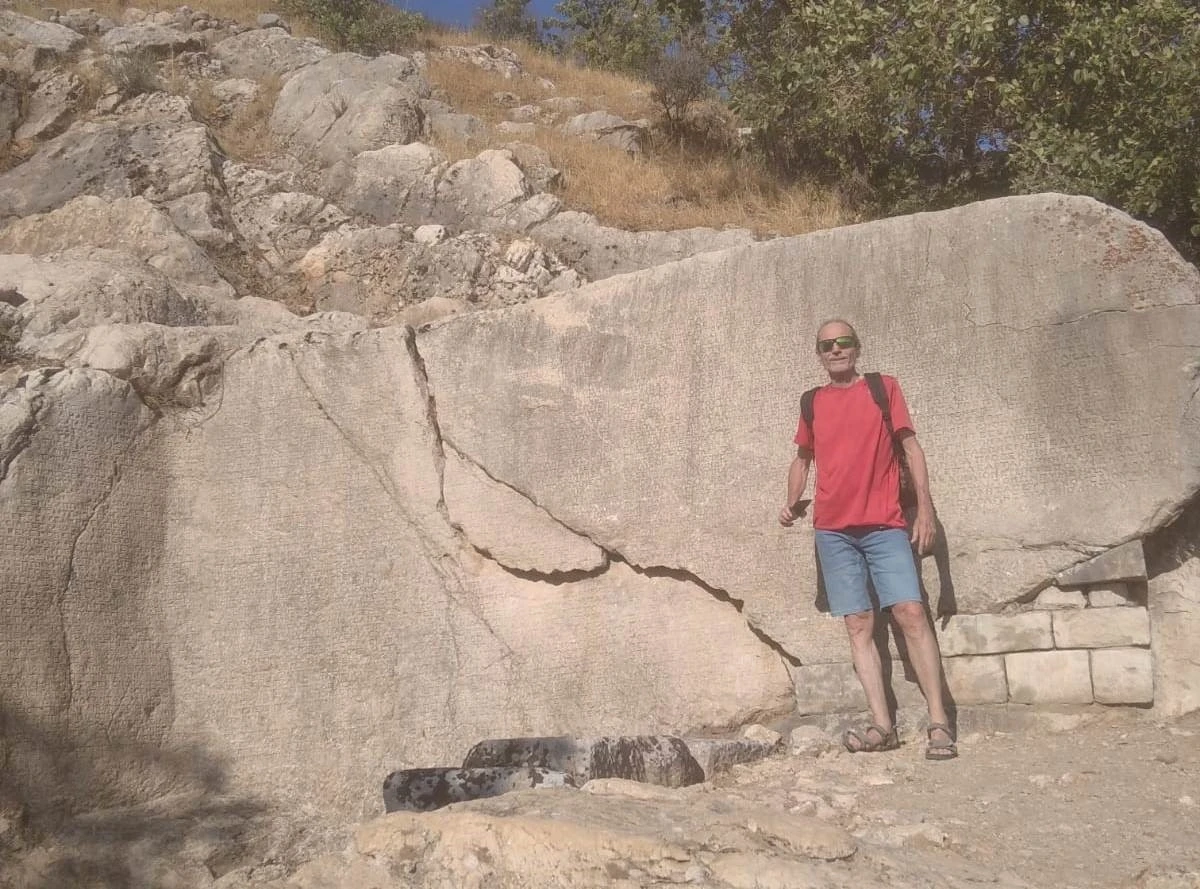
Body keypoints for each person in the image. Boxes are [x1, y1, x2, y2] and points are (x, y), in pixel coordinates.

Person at [778, 319, 957, 760]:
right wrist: (789, 501)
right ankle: (883, 725)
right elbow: (803, 458)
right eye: (827, 345)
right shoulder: (812, 402)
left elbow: (912, 449)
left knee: (911, 613)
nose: (836, 350)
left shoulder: (883, 388)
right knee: (858, 625)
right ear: (818, 354)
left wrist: (926, 511)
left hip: (884, 525)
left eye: (844, 342)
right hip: (833, 532)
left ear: (856, 347)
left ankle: (940, 722)